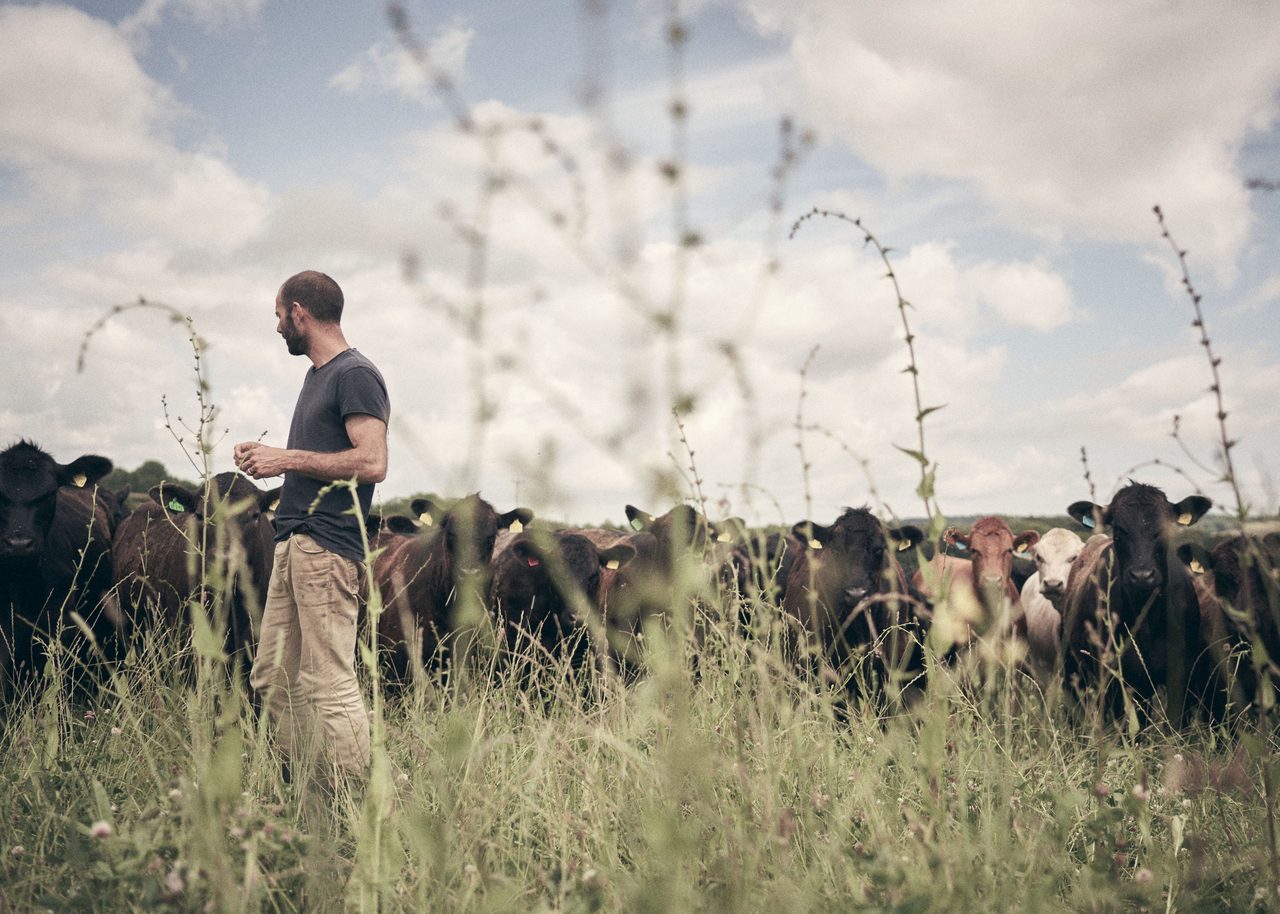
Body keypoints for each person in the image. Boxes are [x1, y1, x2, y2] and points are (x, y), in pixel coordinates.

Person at [234, 270, 389, 779]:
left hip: (326, 546)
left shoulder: (355, 374)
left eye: (279, 315)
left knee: (328, 681)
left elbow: (371, 463)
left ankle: (359, 802)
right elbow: (319, 455)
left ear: (300, 312)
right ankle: (312, 788)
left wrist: (285, 459)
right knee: (273, 678)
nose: (278, 326)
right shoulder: (318, 377)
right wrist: (267, 457)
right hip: (296, 540)